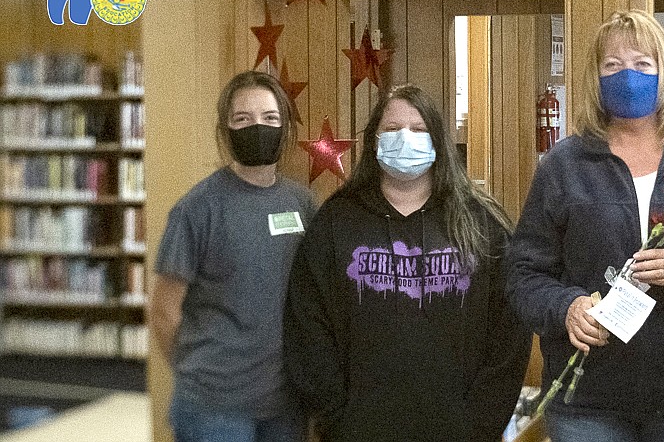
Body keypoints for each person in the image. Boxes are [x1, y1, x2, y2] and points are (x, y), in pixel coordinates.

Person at [506, 10, 664, 441]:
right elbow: (524, 273)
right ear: (595, 77)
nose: (628, 75)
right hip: (585, 398)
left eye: (642, 63)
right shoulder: (564, 164)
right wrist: (566, 307)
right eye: (612, 65)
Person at [282, 84, 530, 442]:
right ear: (374, 140)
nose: (405, 138)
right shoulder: (336, 220)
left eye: (418, 130)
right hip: (358, 431)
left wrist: (482, 420)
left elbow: (509, 328)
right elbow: (307, 322)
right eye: (392, 129)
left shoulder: (481, 222)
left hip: (461, 431)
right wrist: (334, 414)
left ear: (437, 141)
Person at [150, 70, 316, 442]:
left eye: (270, 118)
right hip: (214, 410)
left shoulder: (302, 204)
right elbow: (163, 309)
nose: (257, 127)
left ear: (285, 127)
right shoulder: (197, 208)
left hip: (285, 404)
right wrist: (202, 376)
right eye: (243, 119)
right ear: (226, 130)